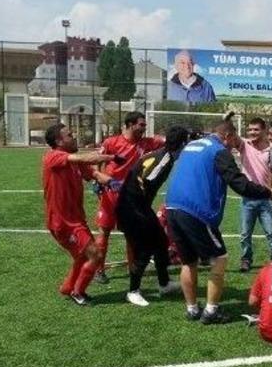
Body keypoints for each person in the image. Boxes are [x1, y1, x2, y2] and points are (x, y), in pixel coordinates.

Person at [165, 114, 272, 324]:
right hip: (195, 211)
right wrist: (269, 193)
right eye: (234, 140)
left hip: (172, 207)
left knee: (188, 261)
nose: (234, 146)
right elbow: (239, 184)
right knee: (219, 258)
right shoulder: (218, 150)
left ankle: (192, 309)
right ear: (227, 136)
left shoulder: (192, 145)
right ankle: (211, 311)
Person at [41, 123, 119, 306]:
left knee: (83, 257)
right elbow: (85, 159)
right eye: (69, 135)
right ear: (59, 141)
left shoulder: (74, 162)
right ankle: (78, 292)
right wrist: (110, 157)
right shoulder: (53, 156)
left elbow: (94, 174)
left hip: (76, 219)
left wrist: (113, 182)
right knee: (95, 255)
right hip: (62, 222)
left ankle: (67, 288)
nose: (74, 136)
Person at [115, 126, 190, 306]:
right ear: (181, 144)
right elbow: (146, 180)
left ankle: (164, 284)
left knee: (161, 242)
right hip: (132, 209)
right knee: (144, 248)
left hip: (139, 207)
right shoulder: (164, 159)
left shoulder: (164, 154)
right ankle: (133, 291)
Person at [94, 111, 164, 284]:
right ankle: (99, 270)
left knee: (132, 234)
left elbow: (167, 140)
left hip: (131, 195)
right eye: (141, 125)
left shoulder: (146, 143)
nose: (144, 128)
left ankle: (134, 269)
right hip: (111, 194)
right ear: (130, 125)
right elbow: (98, 160)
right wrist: (99, 179)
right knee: (104, 231)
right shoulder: (111, 142)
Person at [238, 117, 272, 272]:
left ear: (264, 130)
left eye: (256, 129)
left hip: (266, 198)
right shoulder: (244, 145)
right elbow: (232, 137)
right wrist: (228, 120)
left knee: (271, 232)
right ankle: (246, 259)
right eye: (250, 129)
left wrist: (271, 188)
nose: (252, 132)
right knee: (245, 233)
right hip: (248, 198)